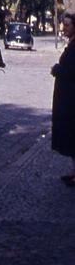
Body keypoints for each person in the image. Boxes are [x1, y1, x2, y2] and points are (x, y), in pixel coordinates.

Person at [50, 12, 75, 186]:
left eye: (67, 25)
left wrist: (57, 69)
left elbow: (71, 71)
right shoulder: (72, 44)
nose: (63, 28)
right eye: (63, 24)